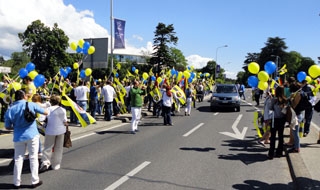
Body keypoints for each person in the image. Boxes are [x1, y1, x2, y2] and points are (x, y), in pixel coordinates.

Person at [5, 90, 48, 188]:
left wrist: (16, 127)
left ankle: (16, 182)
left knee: (18, 159)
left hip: (18, 136)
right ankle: (34, 180)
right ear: (24, 96)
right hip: (32, 134)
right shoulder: (31, 104)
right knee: (33, 157)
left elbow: (7, 126)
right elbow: (45, 112)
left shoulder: (10, 109)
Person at [40, 95, 68, 172]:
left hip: (50, 130)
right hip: (61, 130)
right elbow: (65, 121)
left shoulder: (48, 109)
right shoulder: (63, 110)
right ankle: (56, 164)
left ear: (51, 101)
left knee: (48, 147)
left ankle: (45, 162)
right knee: (58, 148)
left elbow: (41, 119)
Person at [267, 86, 287, 159]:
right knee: (281, 136)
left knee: (273, 137)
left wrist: (270, 99)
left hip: (274, 119)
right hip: (282, 119)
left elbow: (270, 108)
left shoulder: (274, 100)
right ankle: (279, 152)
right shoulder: (285, 100)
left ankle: (271, 153)